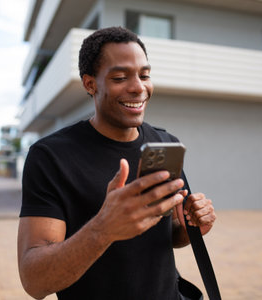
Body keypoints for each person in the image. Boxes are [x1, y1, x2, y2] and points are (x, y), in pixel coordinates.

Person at [17, 26, 216, 300]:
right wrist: (103, 228)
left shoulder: (164, 142)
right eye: (121, 77)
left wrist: (189, 228)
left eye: (145, 75)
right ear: (90, 84)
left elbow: (167, 236)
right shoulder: (51, 156)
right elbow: (34, 280)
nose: (138, 87)